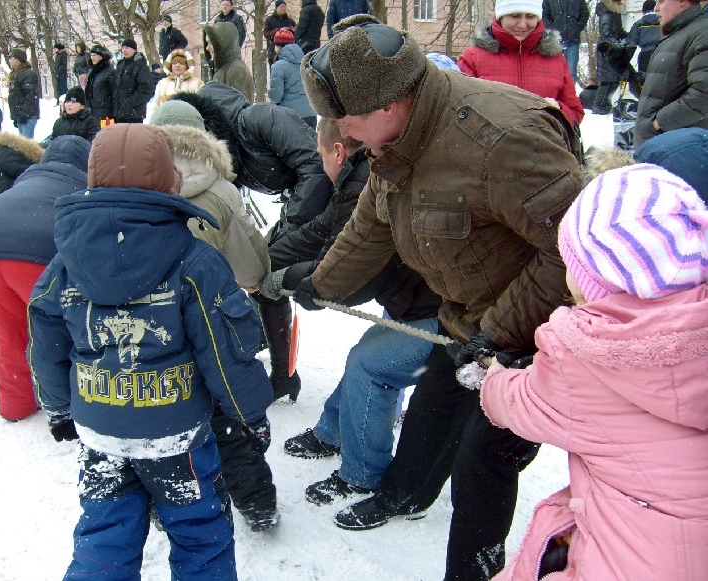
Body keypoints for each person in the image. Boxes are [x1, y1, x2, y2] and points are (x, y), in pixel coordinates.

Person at [298, 15, 582, 580]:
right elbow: (370, 223)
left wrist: (499, 333)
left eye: (345, 121)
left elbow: (578, 249)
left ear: (387, 104)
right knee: (431, 412)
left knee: (483, 461)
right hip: (466, 323)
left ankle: (472, 571)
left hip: (532, 334)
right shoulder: (396, 139)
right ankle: (404, 495)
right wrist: (320, 284)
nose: (341, 135)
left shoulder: (500, 140)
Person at [27, 123, 273, 579]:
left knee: (104, 535)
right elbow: (225, 348)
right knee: (200, 534)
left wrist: (61, 408)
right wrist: (248, 413)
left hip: (101, 427)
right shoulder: (195, 261)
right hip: (175, 435)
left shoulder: (65, 263)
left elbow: (46, 339)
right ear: (170, 179)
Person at [481, 164, 708, 580]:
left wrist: (494, 377)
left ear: (595, 281)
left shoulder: (585, 355)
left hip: (633, 563)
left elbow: (519, 405)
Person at [263, 117, 441, 504]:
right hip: (415, 300)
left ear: (338, 152)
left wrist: (288, 279)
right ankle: (335, 431)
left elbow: (353, 275)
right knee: (365, 355)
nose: (320, 163)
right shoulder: (356, 181)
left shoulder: (363, 183)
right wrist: (264, 261)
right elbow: (321, 232)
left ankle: (362, 475)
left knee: (369, 364)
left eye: (321, 155)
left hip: (442, 310)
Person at [149, 99, 278, 530]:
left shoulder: (135, 184)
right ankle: (256, 501)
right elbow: (249, 266)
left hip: (150, 323)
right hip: (211, 318)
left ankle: (167, 497)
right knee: (227, 412)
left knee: (162, 409)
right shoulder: (221, 188)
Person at [173, 82, 333, 402]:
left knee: (267, 274)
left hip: (337, 200)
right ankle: (280, 366)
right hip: (306, 207)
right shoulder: (227, 152)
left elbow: (317, 167)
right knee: (261, 276)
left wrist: (289, 227)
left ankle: (280, 369)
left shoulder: (261, 119)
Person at [0, 136, 89, 421]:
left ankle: (15, 404)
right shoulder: (83, 185)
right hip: (36, 254)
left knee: (8, 330)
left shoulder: (27, 176)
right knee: (54, 333)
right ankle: (69, 407)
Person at [458, 0, 584, 127]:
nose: (522, 25)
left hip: (544, 145)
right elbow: (458, 112)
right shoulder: (472, 58)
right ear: (500, 16)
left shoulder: (555, 59)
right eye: (514, 16)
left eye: (530, 16)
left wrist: (558, 110)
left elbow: (575, 113)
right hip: (490, 145)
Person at [633, 0, 708, 148]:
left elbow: (704, 93)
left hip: (678, 151)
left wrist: (659, 122)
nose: (656, 8)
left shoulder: (701, 33)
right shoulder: (677, 34)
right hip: (660, 148)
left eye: (661, 1)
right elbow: (659, 92)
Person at [268, 29, 316, 129]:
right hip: (310, 113)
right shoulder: (305, 62)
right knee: (310, 144)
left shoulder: (278, 66)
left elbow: (276, 96)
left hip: (290, 116)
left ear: (278, 46)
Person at [203, 21, 253, 102]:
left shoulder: (236, 69)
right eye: (207, 43)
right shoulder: (223, 68)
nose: (207, 48)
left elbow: (240, 108)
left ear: (223, 44)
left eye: (211, 43)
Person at [542, 0, 589, 82]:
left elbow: (584, 14)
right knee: (553, 71)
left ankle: (569, 94)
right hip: (554, 41)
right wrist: (552, 28)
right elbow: (545, 15)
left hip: (573, 41)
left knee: (571, 73)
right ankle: (553, 93)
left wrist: (576, 28)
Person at [592, 0, 626, 115]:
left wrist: (628, 37)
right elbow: (605, 32)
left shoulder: (615, 12)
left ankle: (605, 104)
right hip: (606, 49)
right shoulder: (606, 12)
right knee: (607, 80)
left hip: (613, 48)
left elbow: (619, 31)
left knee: (614, 79)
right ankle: (598, 105)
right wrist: (616, 43)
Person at [112, 39, 154, 124]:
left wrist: (130, 103)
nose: (124, 50)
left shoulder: (140, 65)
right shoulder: (120, 65)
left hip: (134, 114)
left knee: (134, 137)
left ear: (134, 50)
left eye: (127, 47)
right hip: (119, 114)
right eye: (123, 48)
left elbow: (146, 88)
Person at [6, 48, 40, 139]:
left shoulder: (28, 74)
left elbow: (30, 96)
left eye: (11, 58)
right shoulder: (16, 74)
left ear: (17, 60)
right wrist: (16, 116)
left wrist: (25, 114)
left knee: (27, 146)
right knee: (22, 145)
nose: (9, 61)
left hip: (28, 116)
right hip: (21, 115)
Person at [627, 0, 661, 75]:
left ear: (643, 11)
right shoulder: (662, 22)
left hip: (645, 56)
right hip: (661, 54)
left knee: (644, 81)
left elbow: (631, 43)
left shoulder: (638, 24)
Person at [84, 44, 116, 123]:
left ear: (102, 56)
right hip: (92, 112)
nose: (92, 58)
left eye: (94, 55)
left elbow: (115, 94)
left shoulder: (110, 71)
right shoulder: (91, 72)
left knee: (105, 134)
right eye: (91, 55)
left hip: (106, 113)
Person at [264, 0, 297, 66]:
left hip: (288, 53)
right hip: (273, 51)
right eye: (281, 6)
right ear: (277, 7)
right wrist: (279, 31)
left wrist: (293, 30)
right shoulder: (269, 20)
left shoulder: (290, 21)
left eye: (285, 7)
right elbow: (266, 33)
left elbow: (296, 35)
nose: (283, 8)